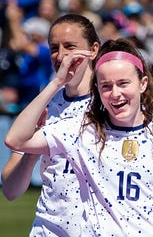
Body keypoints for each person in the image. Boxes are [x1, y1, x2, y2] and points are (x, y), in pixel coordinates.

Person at [4, 37, 153, 236]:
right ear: (97, 89)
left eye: (123, 83)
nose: (115, 93)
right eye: (106, 85)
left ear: (143, 83)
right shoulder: (81, 130)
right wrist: (57, 82)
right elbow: (16, 139)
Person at [1, 14, 100, 235]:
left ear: (93, 50)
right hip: (47, 230)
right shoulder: (44, 104)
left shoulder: (113, 104)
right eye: (54, 48)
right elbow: (10, 190)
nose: (61, 56)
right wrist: (32, 151)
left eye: (70, 47)